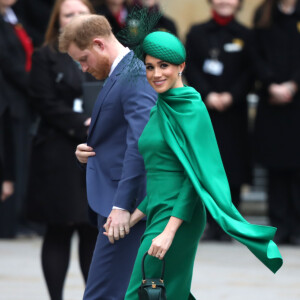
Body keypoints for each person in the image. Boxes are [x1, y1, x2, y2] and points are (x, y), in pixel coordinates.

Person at [116, 31, 283, 300]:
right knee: (171, 292)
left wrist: (169, 231)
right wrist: (134, 215)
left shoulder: (192, 108)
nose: (156, 74)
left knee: (139, 295)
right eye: (150, 67)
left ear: (181, 67)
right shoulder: (158, 108)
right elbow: (163, 174)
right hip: (159, 212)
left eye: (164, 65)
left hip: (179, 217)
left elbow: (193, 179)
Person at [58, 14, 156, 299]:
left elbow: (141, 143)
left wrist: (123, 206)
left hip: (126, 208)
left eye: (84, 59)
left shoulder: (134, 75)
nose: (83, 68)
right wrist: (86, 154)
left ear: (99, 44)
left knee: (102, 294)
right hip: (118, 205)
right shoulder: (124, 73)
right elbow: (121, 139)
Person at [26, 1, 98, 299]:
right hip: (58, 152)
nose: (76, 18)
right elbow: (43, 102)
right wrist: (84, 122)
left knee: (92, 228)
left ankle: (94, 294)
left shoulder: (104, 55)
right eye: (69, 14)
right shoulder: (44, 56)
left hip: (96, 152)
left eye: (82, 13)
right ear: (57, 21)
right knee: (61, 227)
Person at [185, 0, 253, 241]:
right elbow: (190, 66)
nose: (225, 1)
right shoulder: (197, 32)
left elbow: (249, 71)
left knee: (233, 169)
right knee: (206, 167)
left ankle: (231, 223)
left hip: (234, 114)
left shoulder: (246, 34)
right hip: (206, 112)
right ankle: (208, 223)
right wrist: (208, 94)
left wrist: (231, 96)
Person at [252, 0, 300, 245]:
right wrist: (271, 83)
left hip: (296, 102)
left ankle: (297, 227)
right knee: (275, 168)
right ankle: (279, 225)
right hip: (271, 102)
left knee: (297, 169)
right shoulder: (263, 13)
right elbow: (255, 55)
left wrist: (293, 85)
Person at [0, 0, 33, 238]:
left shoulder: (14, 17)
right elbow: (8, 63)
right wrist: (36, 84)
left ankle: (18, 218)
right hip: (7, 100)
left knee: (19, 161)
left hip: (20, 100)